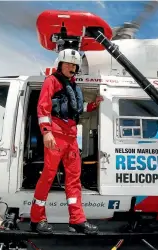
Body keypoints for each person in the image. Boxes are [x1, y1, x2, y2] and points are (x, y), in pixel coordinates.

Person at [30, 48, 103, 235]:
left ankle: (77, 220)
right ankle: (37, 219)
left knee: (74, 180)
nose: (71, 67)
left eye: (74, 65)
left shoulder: (75, 88)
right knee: (48, 176)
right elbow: (43, 107)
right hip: (56, 135)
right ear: (60, 65)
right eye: (68, 64)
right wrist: (47, 133)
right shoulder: (51, 81)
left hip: (71, 138)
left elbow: (78, 108)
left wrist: (95, 104)